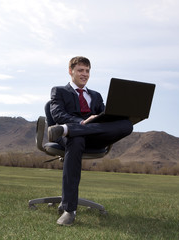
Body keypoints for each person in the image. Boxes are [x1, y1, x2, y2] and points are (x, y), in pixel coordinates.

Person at [48, 56, 133, 226]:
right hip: (70, 139)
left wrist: (103, 118)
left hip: (94, 137)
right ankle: (69, 210)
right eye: (80, 70)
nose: (84, 74)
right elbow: (58, 114)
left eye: (87, 71)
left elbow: (107, 119)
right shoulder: (59, 91)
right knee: (76, 139)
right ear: (70, 71)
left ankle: (70, 130)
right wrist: (81, 123)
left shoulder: (96, 96)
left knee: (127, 125)